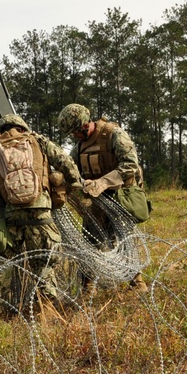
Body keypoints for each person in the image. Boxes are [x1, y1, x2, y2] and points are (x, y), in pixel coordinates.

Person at [0, 114, 84, 315]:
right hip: (40, 211)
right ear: (22, 126)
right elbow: (66, 163)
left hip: (8, 215)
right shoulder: (38, 141)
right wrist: (72, 187)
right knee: (44, 259)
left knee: (3, 262)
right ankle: (46, 308)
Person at [57, 103, 150, 291]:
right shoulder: (80, 146)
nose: (74, 137)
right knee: (90, 240)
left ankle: (137, 282)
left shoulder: (113, 134)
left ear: (83, 125)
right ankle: (87, 286)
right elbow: (70, 169)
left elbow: (131, 164)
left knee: (124, 239)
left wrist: (103, 182)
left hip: (121, 194)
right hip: (98, 199)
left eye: (75, 132)